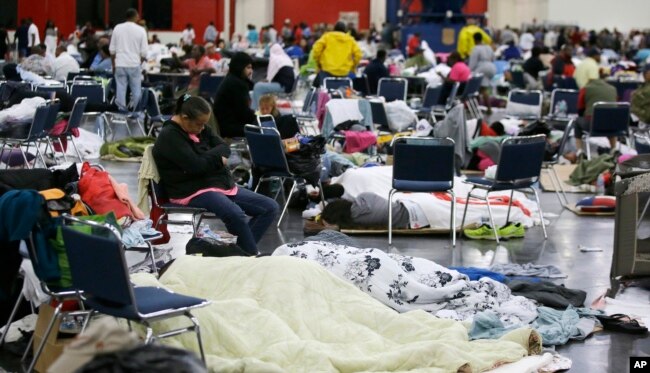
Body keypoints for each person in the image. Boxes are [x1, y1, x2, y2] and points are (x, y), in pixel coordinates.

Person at [153, 95, 278, 255]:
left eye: (204, 124)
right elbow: (196, 166)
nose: (203, 128)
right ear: (184, 118)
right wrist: (217, 159)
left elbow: (223, 146)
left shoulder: (199, 128)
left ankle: (239, 255)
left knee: (269, 207)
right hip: (191, 189)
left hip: (215, 184)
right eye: (199, 124)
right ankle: (250, 256)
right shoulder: (170, 136)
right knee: (235, 214)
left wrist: (208, 157)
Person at [109, 8, 148, 112]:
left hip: (120, 64)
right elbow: (144, 53)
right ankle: (137, 113)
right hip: (134, 64)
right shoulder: (141, 30)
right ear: (135, 17)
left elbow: (112, 50)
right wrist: (139, 63)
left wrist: (113, 64)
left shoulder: (117, 28)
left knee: (120, 90)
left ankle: (121, 114)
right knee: (136, 90)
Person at [574, 70, 618, 156]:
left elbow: (580, 108)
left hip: (593, 125)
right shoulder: (613, 89)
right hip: (613, 125)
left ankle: (579, 151)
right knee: (609, 120)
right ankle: (613, 149)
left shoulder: (586, 89)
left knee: (577, 122)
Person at [213, 52, 256, 138]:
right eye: (248, 68)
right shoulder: (237, 84)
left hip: (225, 125)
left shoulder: (231, 79)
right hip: (231, 128)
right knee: (265, 127)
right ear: (240, 67)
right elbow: (244, 113)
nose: (251, 71)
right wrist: (258, 117)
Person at [311, 21, 362, 86]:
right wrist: (352, 67)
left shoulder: (327, 37)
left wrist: (319, 63)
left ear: (334, 29)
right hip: (344, 73)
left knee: (315, 87)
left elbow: (316, 49)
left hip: (327, 71)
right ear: (345, 30)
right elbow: (358, 54)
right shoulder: (350, 40)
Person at [252, 44, 295, 110]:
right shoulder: (285, 58)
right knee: (259, 86)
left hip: (283, 87)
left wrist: (265, 81)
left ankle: (259, 110)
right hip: (287, 85)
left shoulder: (275, 59)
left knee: (258, 87)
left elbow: (270, 76)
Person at [468, 32, 496, 112]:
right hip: (491, 67)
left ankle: (487, 108)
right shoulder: (488, 47)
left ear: (474, 40)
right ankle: (477, 107)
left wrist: (469, 72)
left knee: (481, 89)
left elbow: (472, 64)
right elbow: (493, 58)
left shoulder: (476, 48)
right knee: (480, 89)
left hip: (482, 69)